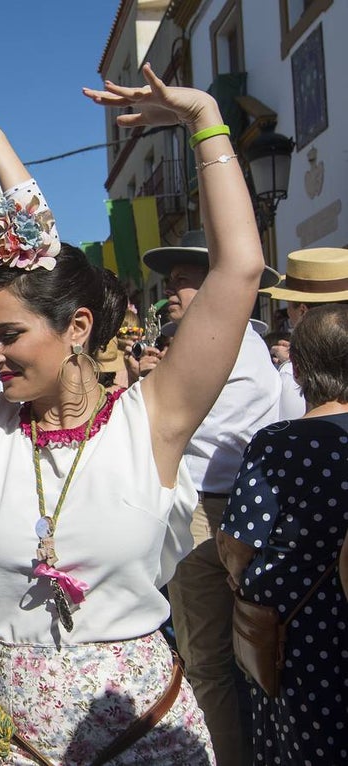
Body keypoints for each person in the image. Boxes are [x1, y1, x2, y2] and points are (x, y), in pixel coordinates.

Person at [0, 65, 259, 763]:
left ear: (77, 327)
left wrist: (206, 120)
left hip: (142, 738)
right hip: (8, 742)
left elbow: (239, 270)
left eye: (9, 335)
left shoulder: (153, 420)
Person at [141, 228, 282, 765]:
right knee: (242, 656)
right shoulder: (242, 343)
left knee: (209, 662)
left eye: (182, 279)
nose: (169, 289)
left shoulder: (221, 345)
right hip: (241, 510)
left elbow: (177, 427)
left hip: (210, 511)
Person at [217, 303, 348, 764]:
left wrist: (239, 578)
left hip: (296, 630)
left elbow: (238, 543)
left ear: (300, 368)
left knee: (299, 740)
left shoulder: (279, 443)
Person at [261, 247, 348, 420]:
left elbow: (296, 424)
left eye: (288, 307)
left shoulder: (291, 375)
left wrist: (293, 365)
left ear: (302, 312)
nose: (288, 314)